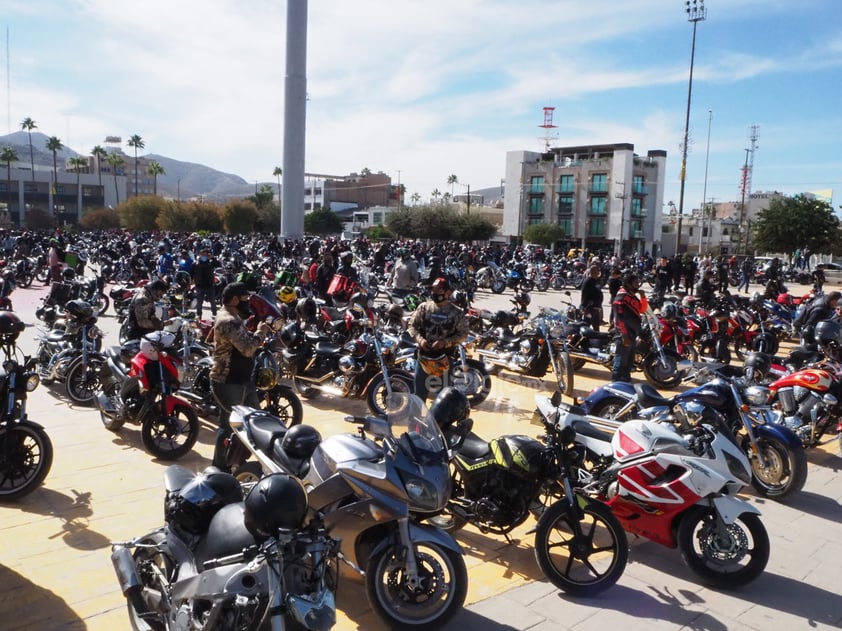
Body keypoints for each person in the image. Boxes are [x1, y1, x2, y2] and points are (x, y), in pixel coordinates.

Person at [209, 282, 271, 469]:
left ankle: (251, 459)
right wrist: (261, 333)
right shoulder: (228, 321)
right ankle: (219, 468)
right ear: (235, 299)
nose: (247, 303)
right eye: (244, 300)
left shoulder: (232, 317)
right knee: (227, 426)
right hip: (228, 381)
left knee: (257, 419)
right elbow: (247, 348)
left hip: (243, 380)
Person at [406, 277, 469, 400]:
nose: (435, 293)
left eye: (439, 290)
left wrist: (444, 343)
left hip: (444, 360)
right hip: (423, 358)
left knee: (444, 396)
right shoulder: (424, 308)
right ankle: (419, 418)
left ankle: (438, 419)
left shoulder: (457, 313)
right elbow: (412, 326)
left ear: (448, 293)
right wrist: (420, 340)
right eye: (433, 290)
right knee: (418, 394)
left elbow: (463, 334)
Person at [610, 273, 644, 383]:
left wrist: (643, 297)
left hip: (632, 333)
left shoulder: (631, 295)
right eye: (635, 283)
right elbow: (619, 318)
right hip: (624, 334)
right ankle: (616, 384)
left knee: (629, 362)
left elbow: (642, 309)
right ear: (629, 284)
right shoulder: (622, 297)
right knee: (621, 361)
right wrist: (624, 335)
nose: (638, 285)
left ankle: (625, 382)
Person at [192, 246, 218, 319]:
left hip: (210, 286)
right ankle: (199, 315)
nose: (204, 256)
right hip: (200, 286)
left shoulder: (211, 263)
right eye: (203, 254)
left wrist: (212, 258)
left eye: (206, 255)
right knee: (199, 302)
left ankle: (215, 315)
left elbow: (218, 264)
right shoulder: (196, 264)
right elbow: (191, 273)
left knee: (213, 302)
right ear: (200, 255)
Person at [579, 264, 604, 331]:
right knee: (586, 326)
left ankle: (596, 340)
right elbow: (584, 295)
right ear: (592, 272)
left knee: (596, 327)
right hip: (589, 309)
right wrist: (584, 308)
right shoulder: (587, 282)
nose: (598, 273)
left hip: (596, 309)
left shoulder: (595, 281)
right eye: (596, 272)